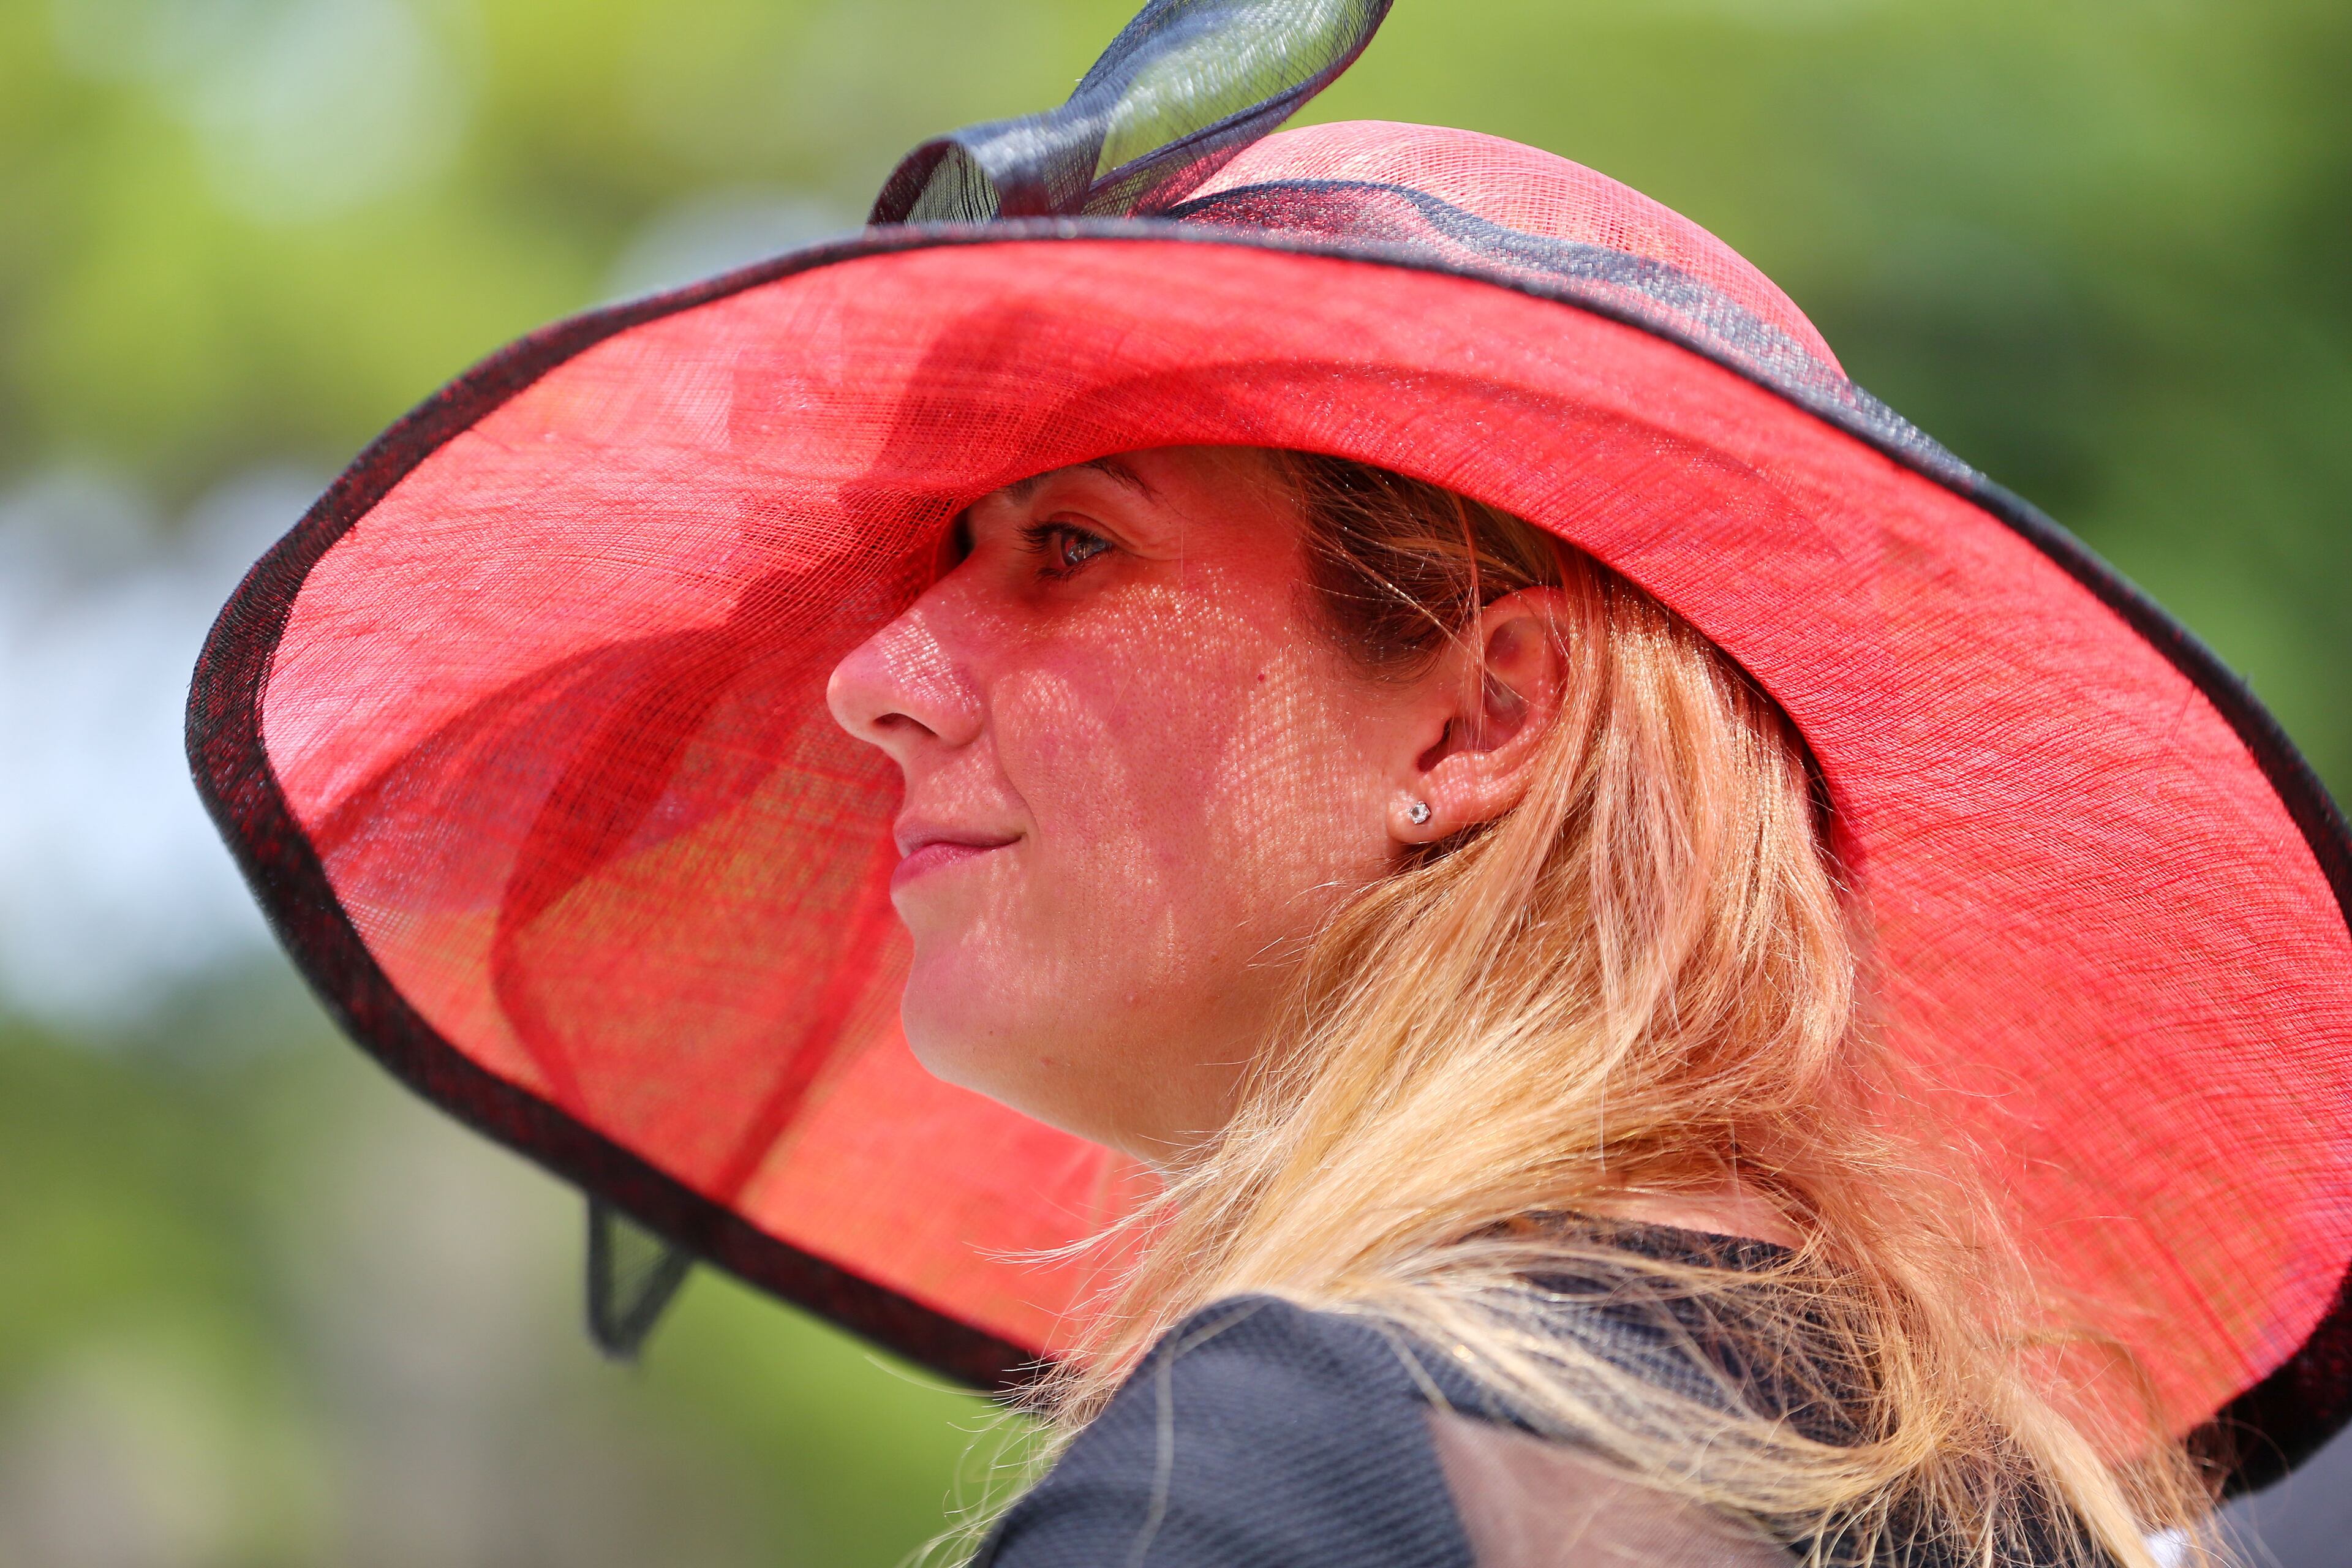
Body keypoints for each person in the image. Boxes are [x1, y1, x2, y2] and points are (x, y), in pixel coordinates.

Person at [189, 2, 2352, 1566]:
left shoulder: (1292, 1474)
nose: (875, 681)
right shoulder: (1994, 1496)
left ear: (1482, 716)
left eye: (1068, 545)